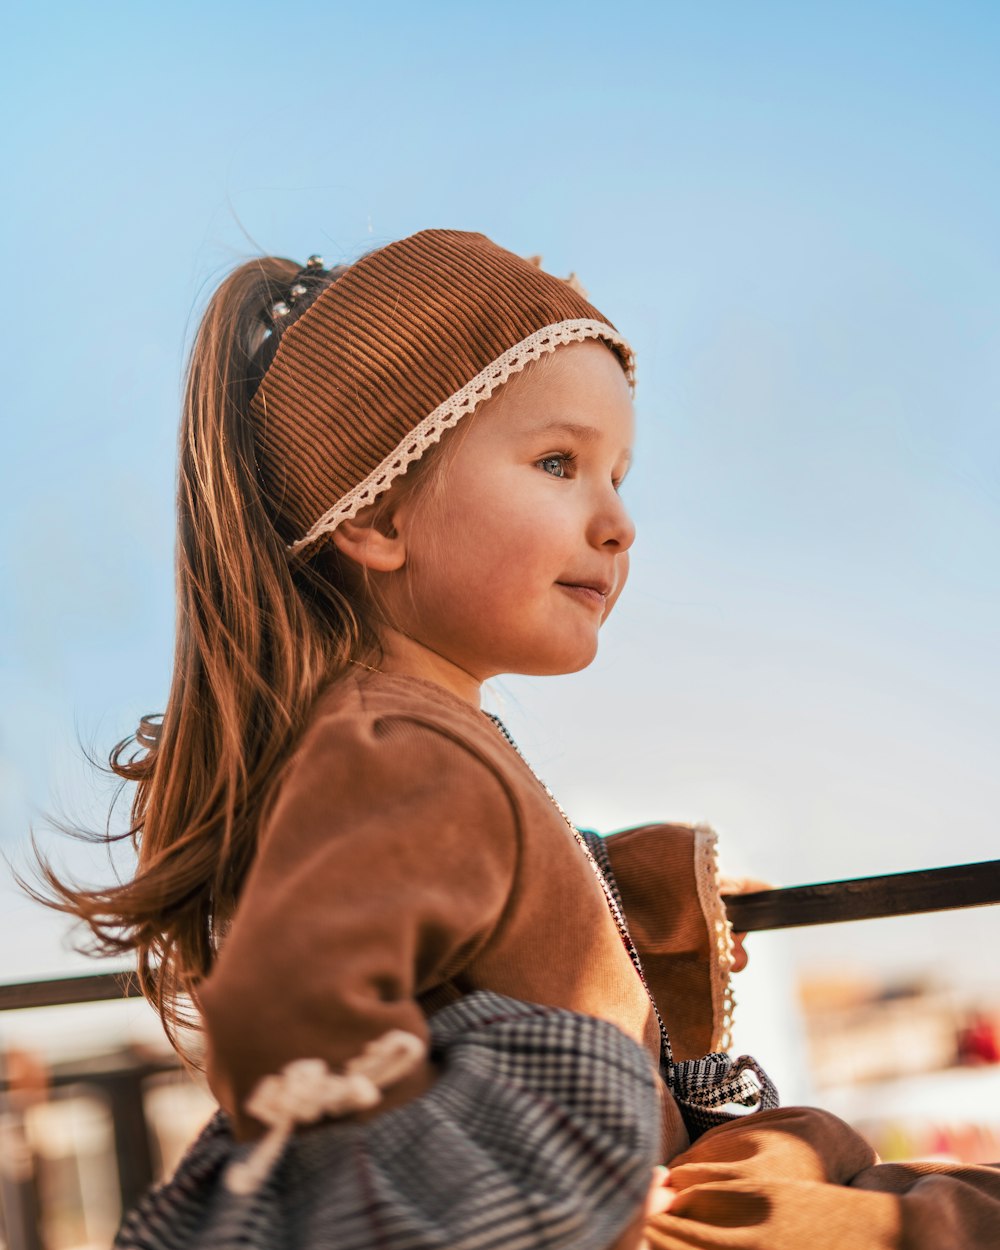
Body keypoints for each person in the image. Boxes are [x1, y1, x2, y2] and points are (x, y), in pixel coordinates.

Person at [36, 229, 1000, 1249]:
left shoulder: (409, 730)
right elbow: (287, 1017)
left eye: (619, 475)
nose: (617, 521)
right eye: (558, 463)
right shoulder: (394, 747)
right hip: (618, 1223)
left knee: (848, 1157)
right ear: (380, 513)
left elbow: (484, 929)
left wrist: (630, 884)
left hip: (627, 1191)